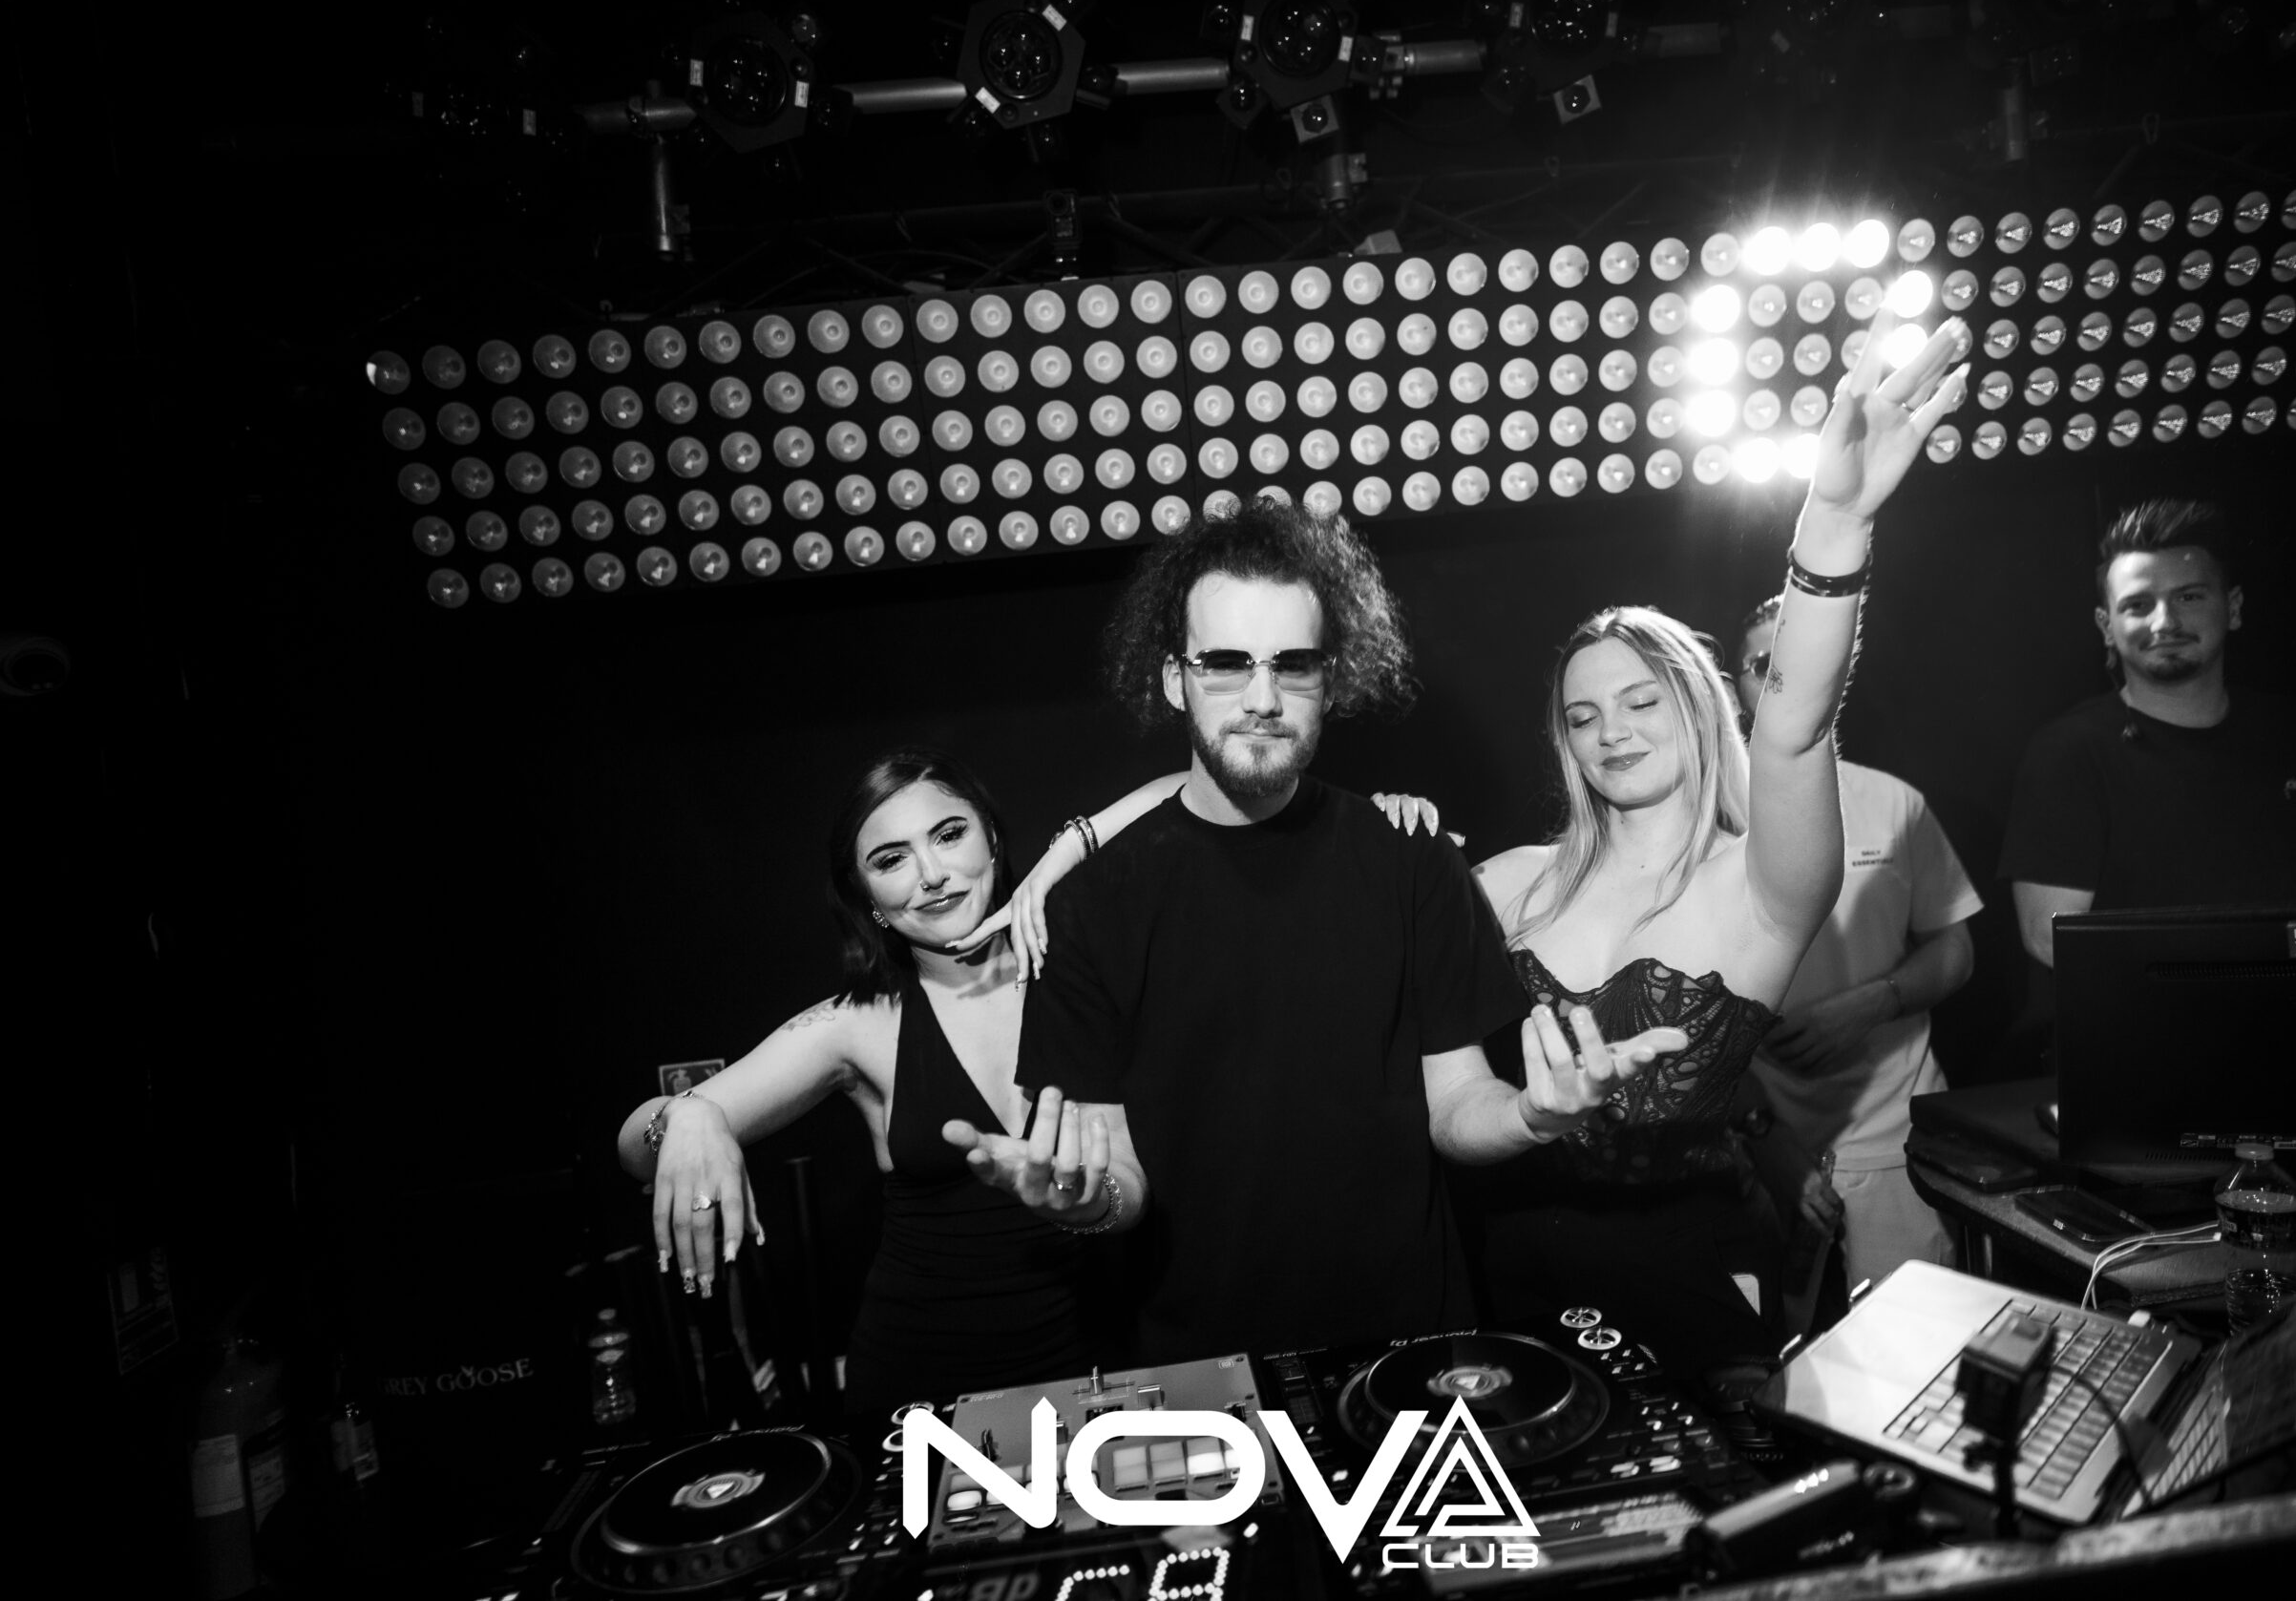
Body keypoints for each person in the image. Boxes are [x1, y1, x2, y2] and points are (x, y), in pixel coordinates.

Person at [962, 494, 1688, 1365]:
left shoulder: (1413, 860)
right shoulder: (1088, 906)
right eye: (1225, 664)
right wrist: (1086, 1202)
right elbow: (1117, 1174)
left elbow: (1457, 1102)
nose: (1262, 698)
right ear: (1174, 678)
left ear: (1332, 680)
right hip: (1196, 1367)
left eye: (1293, 665)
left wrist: (1535, 1115)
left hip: (1410, 1352)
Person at [612, 749, 1448, 1414]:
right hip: (926, 1380)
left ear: (992, 839)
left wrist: (1356, 817)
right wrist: (686, 1118)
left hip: (1114, 1361)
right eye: (891, 859)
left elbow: (1186, 790)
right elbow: (632, 1144)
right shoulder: (855, 1024)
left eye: (949, 834)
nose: (931, 873)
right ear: (867, 898)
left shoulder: (1089, 966)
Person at [1464, 312, 1972, 1369]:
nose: (1612, 732)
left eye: (1641, 701)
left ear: (1699, 708)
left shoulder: (1759, 888)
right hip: (1499, 1273)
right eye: (1583, 716)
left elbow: (1796, 725)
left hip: (1683, 1278)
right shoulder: (1509, 884)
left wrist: (1834, 523)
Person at [1999, 498, 2296, 992]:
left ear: (2233, 608)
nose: (2164, 622)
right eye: (2138, 605)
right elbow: (2049, 937)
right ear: (2106, 626)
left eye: (2189, 597)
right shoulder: (2068, 754)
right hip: (2151, 1029)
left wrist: (2292, 992)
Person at [1731, 595, 1981, 1332]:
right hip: (1754, 1146)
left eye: (1803, 660)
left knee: (1914, 1362)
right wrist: (1762, 1134)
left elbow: (1956, 947)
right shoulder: (1705, 820)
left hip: (1894, 1142)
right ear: (1736, 684)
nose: (1784, 679)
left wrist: (1873, 1001)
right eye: (1763, 664)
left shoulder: (1895, 803)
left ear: (1837, 672)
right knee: (1768, 1371)